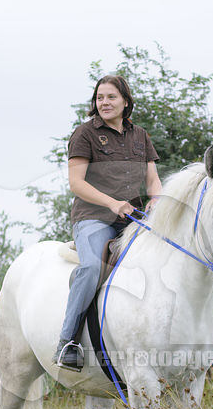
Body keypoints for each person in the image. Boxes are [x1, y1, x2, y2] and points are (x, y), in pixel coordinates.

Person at [54, 75, 161, 371]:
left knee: (171, 257)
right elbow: (76, 183)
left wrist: (157, 200)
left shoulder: (141, 135)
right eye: (100, 97)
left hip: (133, 220)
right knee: (90, 268)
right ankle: (68, 342)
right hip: (94, 218)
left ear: (125, 101)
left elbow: (153, 181)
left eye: (111, 97)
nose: (104, 102)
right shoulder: (84, 134)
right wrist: (113, 203)